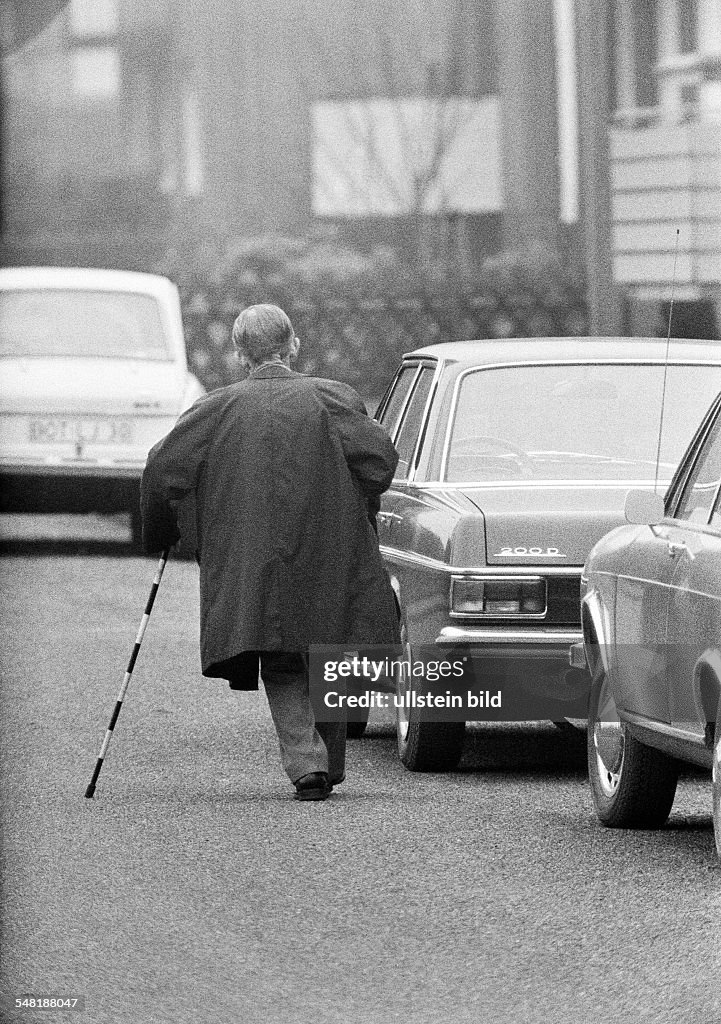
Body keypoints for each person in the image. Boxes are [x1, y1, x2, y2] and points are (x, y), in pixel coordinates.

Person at [141, 303, 400, 801]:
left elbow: (161, 468)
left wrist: (163, 530)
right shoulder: (333, 400)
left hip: (253, 558)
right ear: (294, 345)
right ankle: (327, 762)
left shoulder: (215, 409)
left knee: (280, 656)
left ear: (239, 354)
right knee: (328, 650)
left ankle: (308, 765)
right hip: (328, 549)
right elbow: (378, 463)